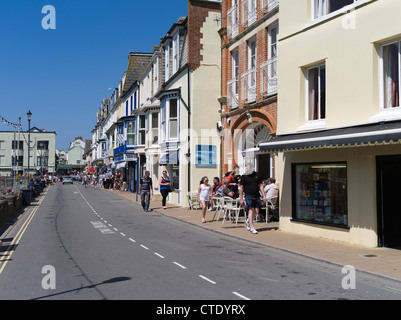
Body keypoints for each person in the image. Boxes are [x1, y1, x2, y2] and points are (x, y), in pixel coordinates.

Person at [239, 162, 266, 234]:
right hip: (248, 195)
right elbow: (241, 187)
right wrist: (241, 199)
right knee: (251, 210)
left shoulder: (258, 175)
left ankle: (247, 221)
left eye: (247, 167)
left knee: (257, 211)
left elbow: (261, 186)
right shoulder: (244, 176)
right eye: (246, 168)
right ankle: (252, 227)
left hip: (257, 195)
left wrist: (264, 196)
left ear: (251, 168)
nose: (246, 169)